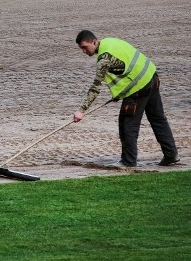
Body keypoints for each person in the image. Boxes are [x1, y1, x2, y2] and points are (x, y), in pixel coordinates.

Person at [73, 30, 179, 167]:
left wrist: (81, 111)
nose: (84, 51)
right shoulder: (110, 41)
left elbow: (95, 87)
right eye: (81, 48)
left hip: (138, 89)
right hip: (152, 76)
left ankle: (128, 162)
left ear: (94, 42)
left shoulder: (104, 59)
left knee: (127, 125)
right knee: (158, 119)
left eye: (85, 47)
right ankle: (171, 155)